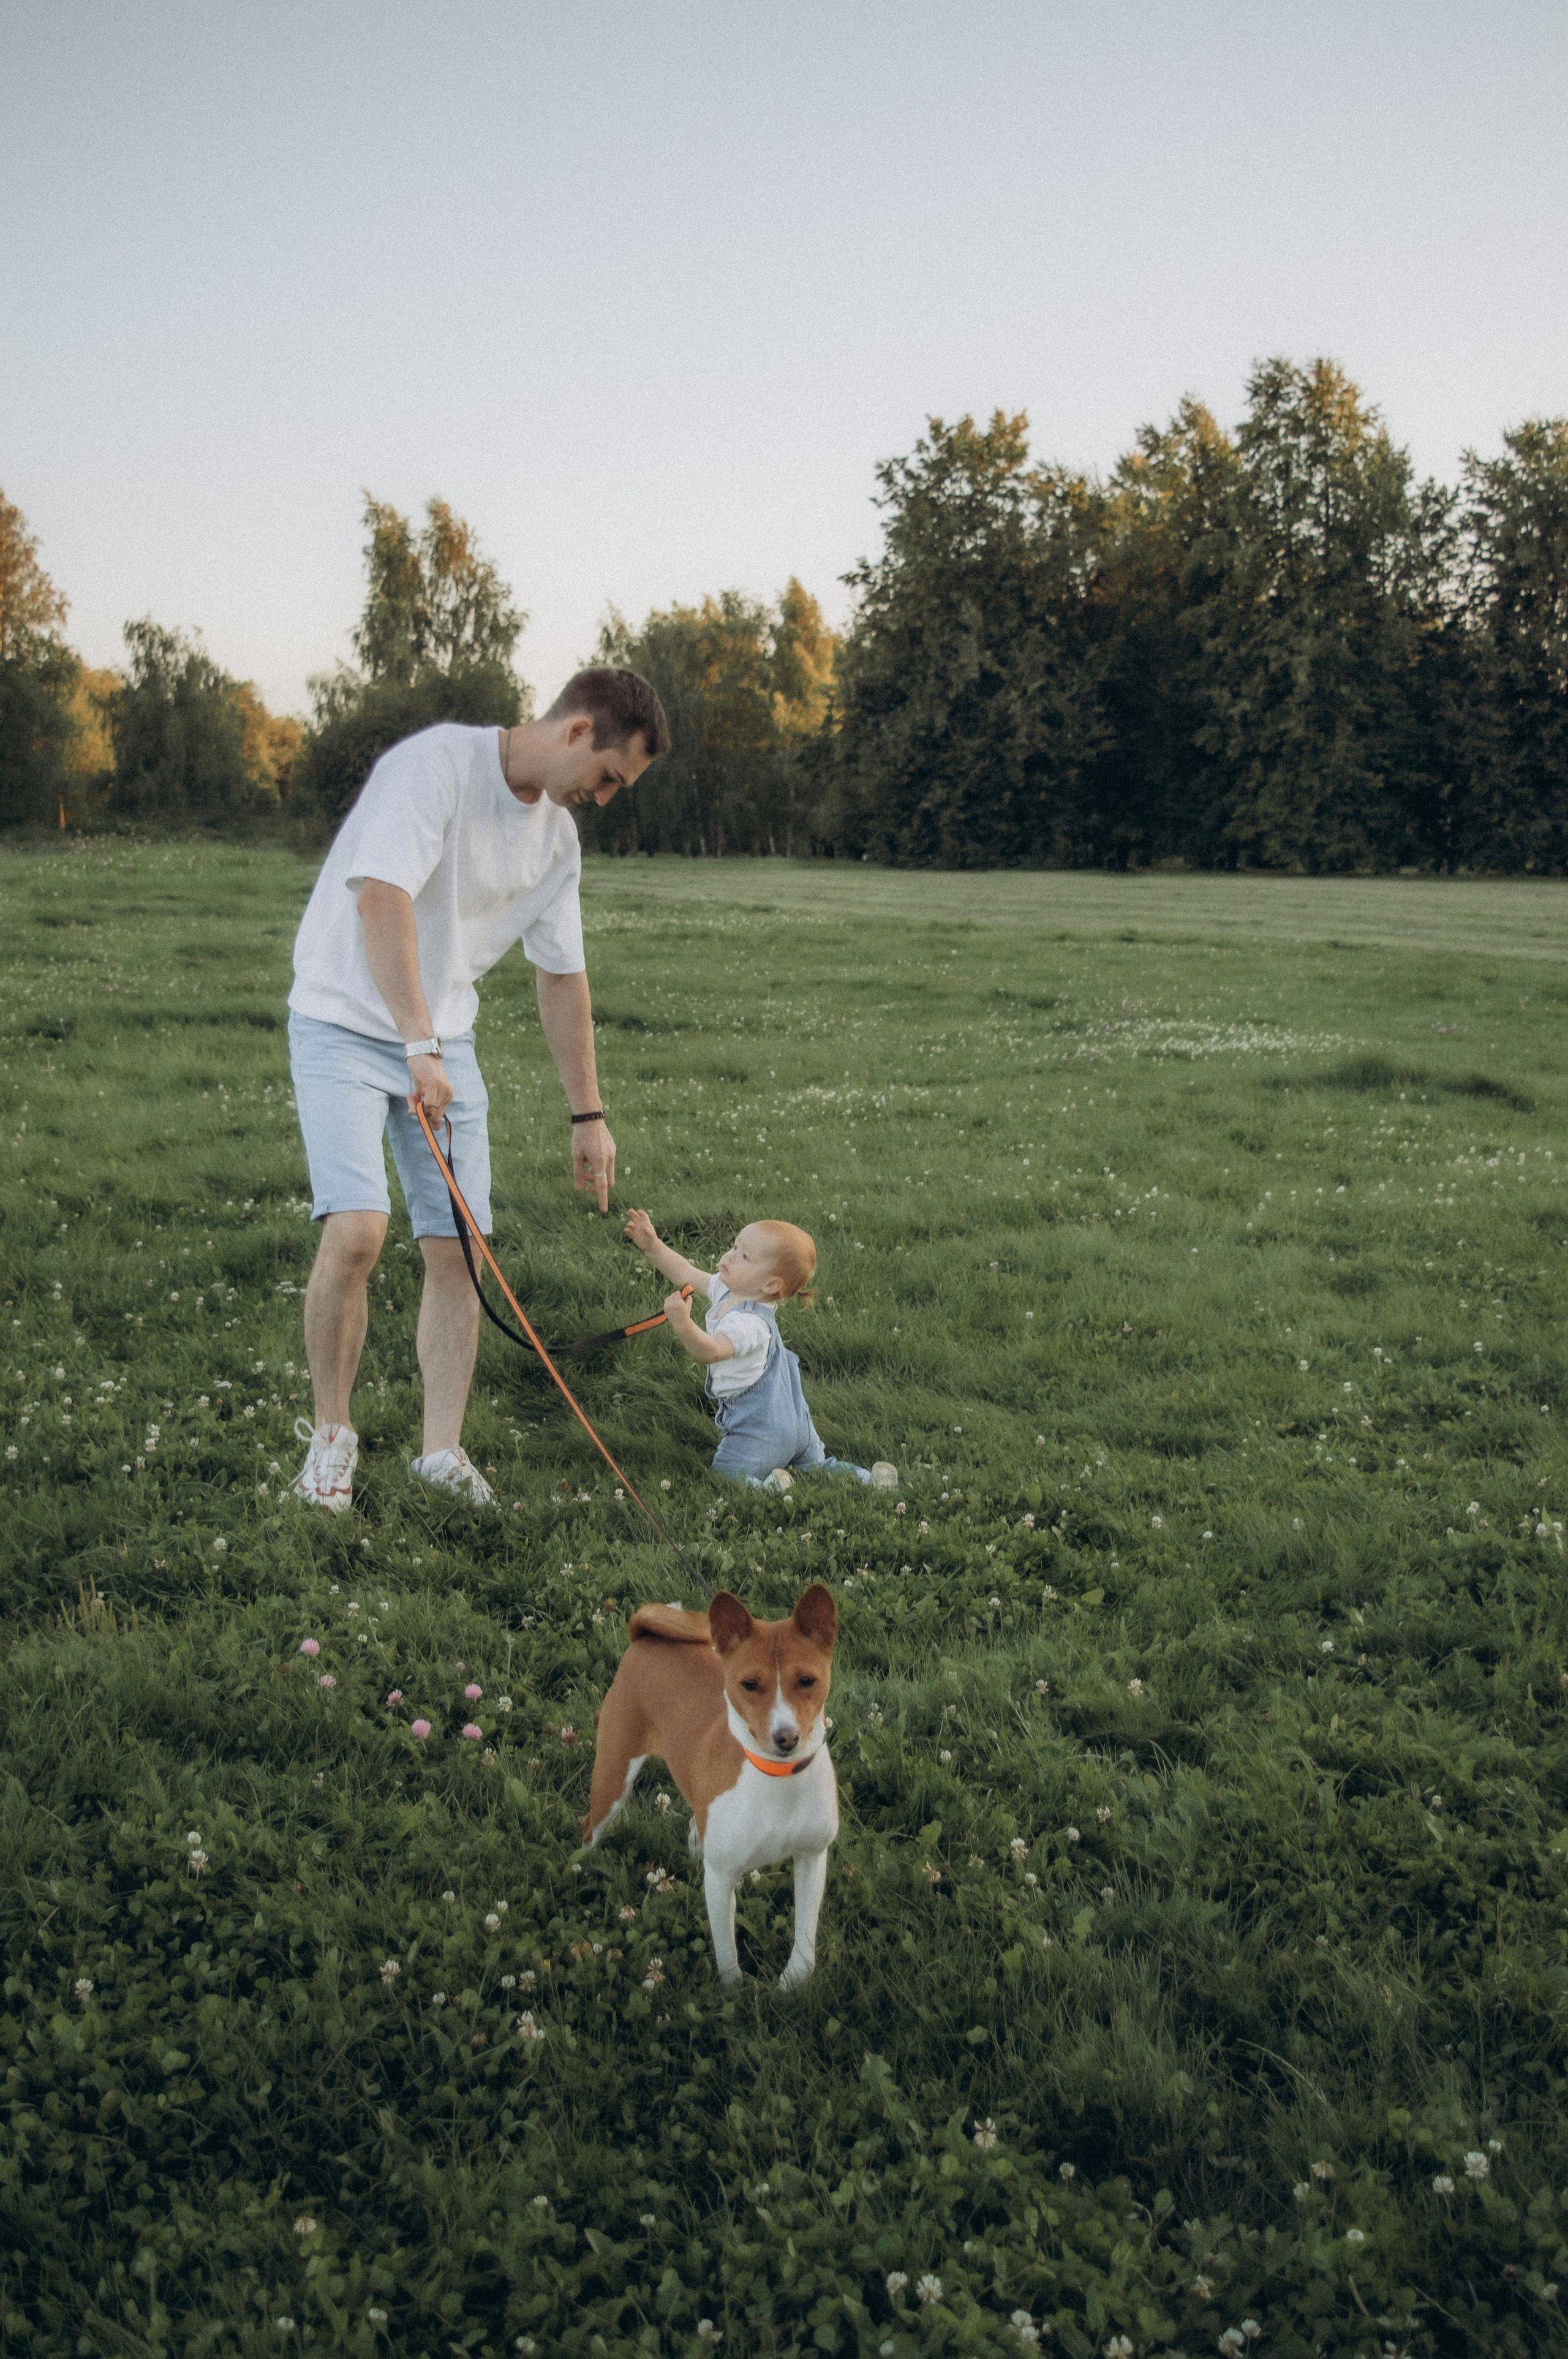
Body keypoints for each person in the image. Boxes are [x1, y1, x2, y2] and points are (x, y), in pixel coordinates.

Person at [285, 668, 669, 1514]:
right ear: (576, 731)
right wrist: (417, 1041)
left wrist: (589, 1114)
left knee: (460, 1249)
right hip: (344, 1019)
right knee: (356, 1232)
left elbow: (562, 978)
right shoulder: (434, 767)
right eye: (609, 776)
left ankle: (441, 1451)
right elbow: (381, 899)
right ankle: (329, 1443)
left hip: (441, 1040)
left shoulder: (556, 843)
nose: (605, 798)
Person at [624, 1209, 897, 1490]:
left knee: (726, 1477)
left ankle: (770, 1488)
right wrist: (652, 1246)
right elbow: (685, 1272)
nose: (730, 1256)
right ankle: (868, 1479)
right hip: (797, 1422)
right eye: (735, 1246)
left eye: (744, 1256)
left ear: (770, 1284)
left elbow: (710, 1352)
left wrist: (682, 1323)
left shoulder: (749, 1324)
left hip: (759, 1428)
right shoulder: (731, 1289)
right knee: (819, 1466)